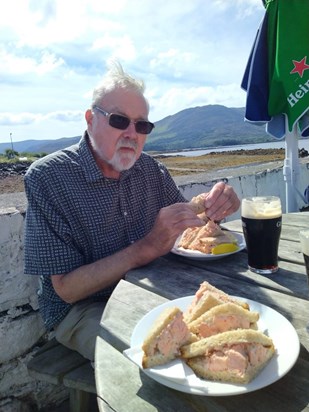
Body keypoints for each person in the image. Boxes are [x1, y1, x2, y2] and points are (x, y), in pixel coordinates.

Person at [24, 61, 240, 362]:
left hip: (151, 289)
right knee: (161, 353)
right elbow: (66, 290)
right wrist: (147, 248)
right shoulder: (49, 178)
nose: (132, 133)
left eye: (142, 125)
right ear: (90, 119)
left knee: (226, 323)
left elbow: (189, 225)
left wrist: (216, 206)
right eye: (118, 120)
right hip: (84, 308)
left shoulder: (150, 170)